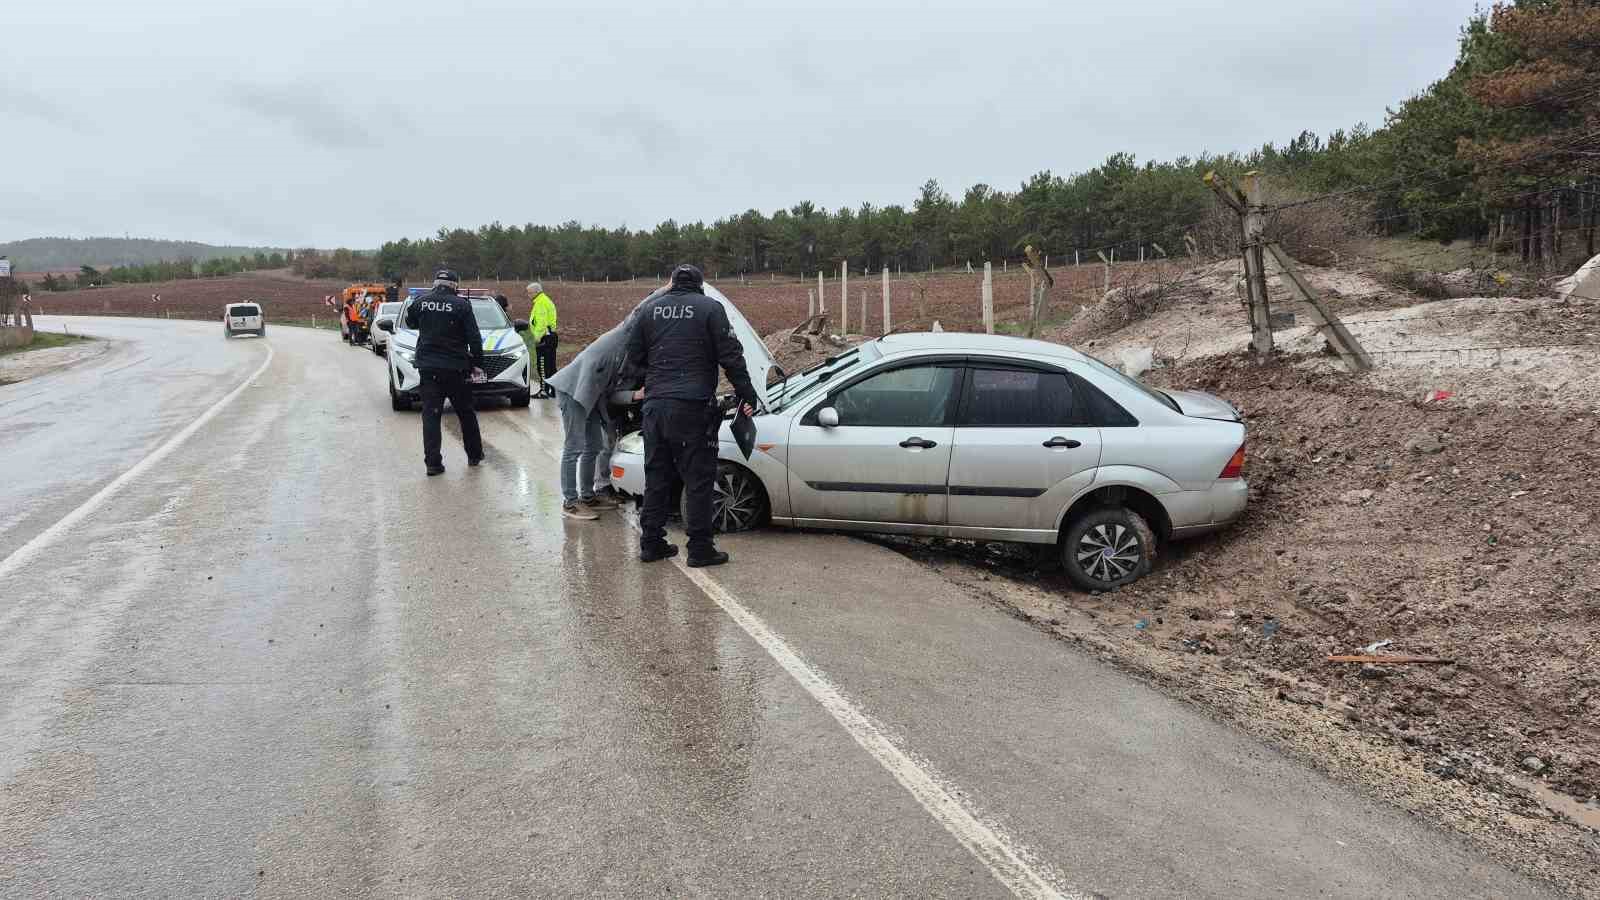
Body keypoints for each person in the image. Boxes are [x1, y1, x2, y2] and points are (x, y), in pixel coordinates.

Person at [625, 264, 757, 567]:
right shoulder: (711, 308)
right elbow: (731, 357)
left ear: (671, 284)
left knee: (656, 477)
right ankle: (699, 548)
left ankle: (651, 543)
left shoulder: (649, 311)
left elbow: (632, 360)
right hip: (693, 407)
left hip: (656, 407)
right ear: (700, 285)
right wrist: (747, 394)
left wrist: (657, 379)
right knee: (698, 480)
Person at [404, 268, 486, 476]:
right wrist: (478, 364)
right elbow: (474, 338)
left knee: (431, 416)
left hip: (429, 369)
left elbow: (410, 322)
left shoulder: (421, 302)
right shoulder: (462, 305)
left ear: (435, 284)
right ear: (455, 286)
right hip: (456, 369)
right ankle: (474, 455)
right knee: (466, 413)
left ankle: (433, 463)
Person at [527, 282, 558, 398]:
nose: (528, 295)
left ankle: (544, 390)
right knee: (551, 365)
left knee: (543, 365)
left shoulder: (540, 303)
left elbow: (541, 323)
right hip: (551, 336)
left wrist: (536, 338)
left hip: (545, 338)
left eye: (529, 293)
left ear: (536, 292)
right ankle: (553, 390)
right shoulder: (545, 300)